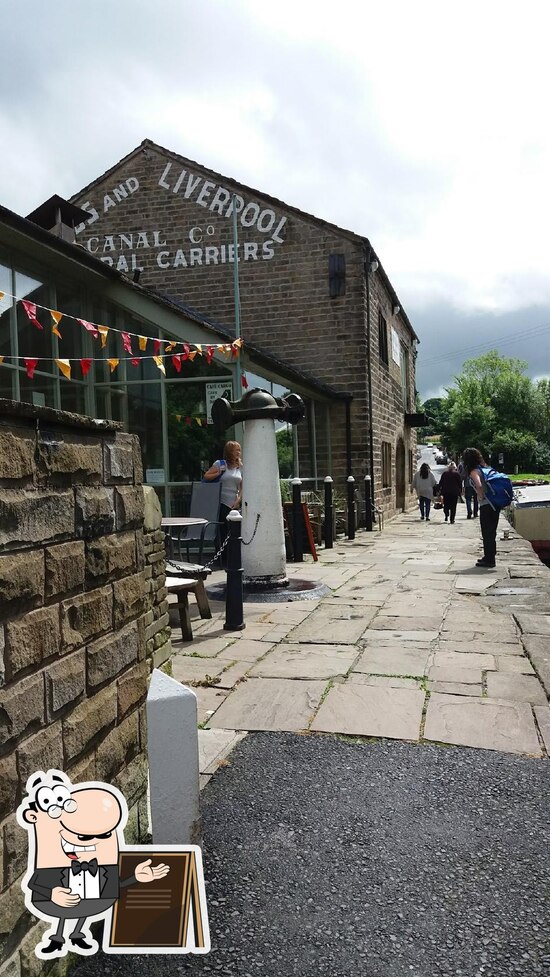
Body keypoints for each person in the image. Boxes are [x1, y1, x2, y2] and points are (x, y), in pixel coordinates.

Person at [202, 440, 242, 562]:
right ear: (230, 452)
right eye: (236, 450)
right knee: (223, 530)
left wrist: (238, 499)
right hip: (221, 502)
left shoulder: (241, 466)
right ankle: (223, 558)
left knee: (234, 530)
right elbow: (206, 477)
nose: (239, 453)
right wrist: (219, 472)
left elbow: (242, 487)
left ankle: (234, 556)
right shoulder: (220, 464)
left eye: (239, 450)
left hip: (234, 503)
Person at [462, 446, 499, 568]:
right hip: (495, 504)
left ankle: (489, 560)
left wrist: (481, 495)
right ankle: (489, 556)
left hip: (486, 505)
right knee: (491, 532)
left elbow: (478, 484)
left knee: (486, 533)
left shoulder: (474, 471)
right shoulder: (486, 468)